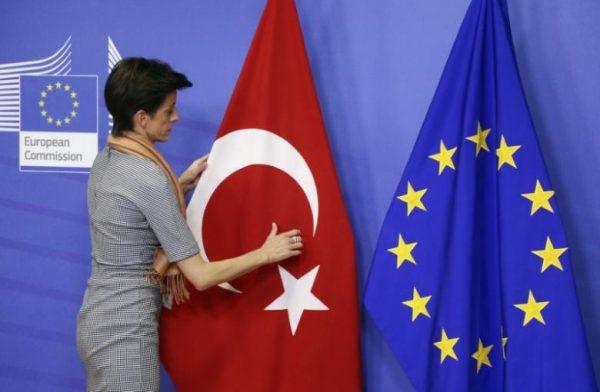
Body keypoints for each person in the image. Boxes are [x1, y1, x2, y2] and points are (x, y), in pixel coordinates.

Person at [76, 57, 303, 391]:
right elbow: (200, 275)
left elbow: (132, 211)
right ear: (141, 118)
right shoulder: (149, 177)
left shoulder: (108, 158)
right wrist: (265, 254)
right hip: (125, 336)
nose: (175, 118)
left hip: (96, 320)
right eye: (168, 111)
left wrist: (179, 186)